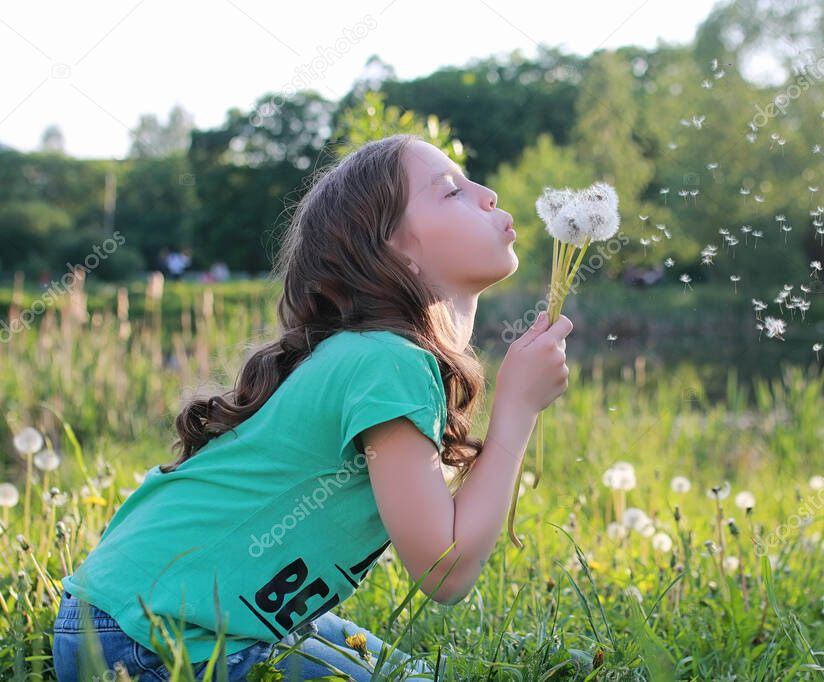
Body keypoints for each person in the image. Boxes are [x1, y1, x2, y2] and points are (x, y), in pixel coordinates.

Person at [51, 134, 574, 681]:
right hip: (160, 642)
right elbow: (445, 571)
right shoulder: (389, 362)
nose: (488, 194)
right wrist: (517, 407)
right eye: (451, 192)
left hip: (113, 618)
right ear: (394, 248)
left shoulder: (370, 356)